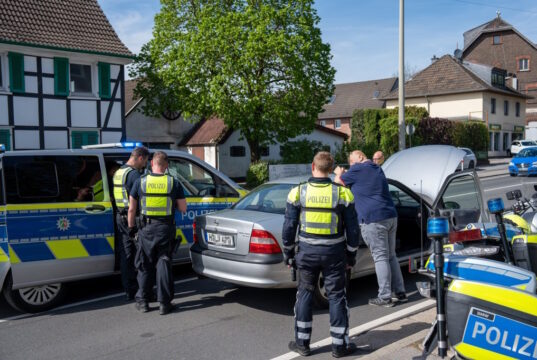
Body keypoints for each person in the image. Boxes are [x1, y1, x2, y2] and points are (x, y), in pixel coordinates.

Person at [282, 151, 361, 358]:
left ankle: (302, 343)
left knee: (305, 293)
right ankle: (339, 346)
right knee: (336, 296)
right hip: (335, 253)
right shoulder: (343, 193)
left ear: (312, 166)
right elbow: (353, 230)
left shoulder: (297, 192)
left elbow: (289, 226)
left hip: (307, 252)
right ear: (331, 169)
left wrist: (288, 253)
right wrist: (351, 255)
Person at [334, 150, 406, 308]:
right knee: (391, 256)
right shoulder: (376, 168)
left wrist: (339, 172)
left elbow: (337, 182)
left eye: (352, 161)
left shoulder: (358, 169)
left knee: (380, 257)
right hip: (390, 215)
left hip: (373, 219)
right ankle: (400, 292)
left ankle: (385, 296)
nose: (351, 166)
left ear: (360, 157)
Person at [128, 151, 187, 315]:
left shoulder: (141, 181)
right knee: (163, 264)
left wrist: (132, 228)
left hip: (145, 229)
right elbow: (183, 208)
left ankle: (144, 302)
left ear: (151, 163)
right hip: (165, 230)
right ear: (166, 165)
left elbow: (132, 209)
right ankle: (164, 304)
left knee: (144, 265)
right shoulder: (173, 182)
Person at [112, 146, 150, 301]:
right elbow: (139, 199)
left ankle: (129, 290)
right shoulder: (134, 175)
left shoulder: (119, 172)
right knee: (141, 255)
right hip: (131, 217)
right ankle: (143, 291)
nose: (145, 165)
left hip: (119, 216)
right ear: (140, 157)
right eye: (145, 161)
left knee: (126, 255)